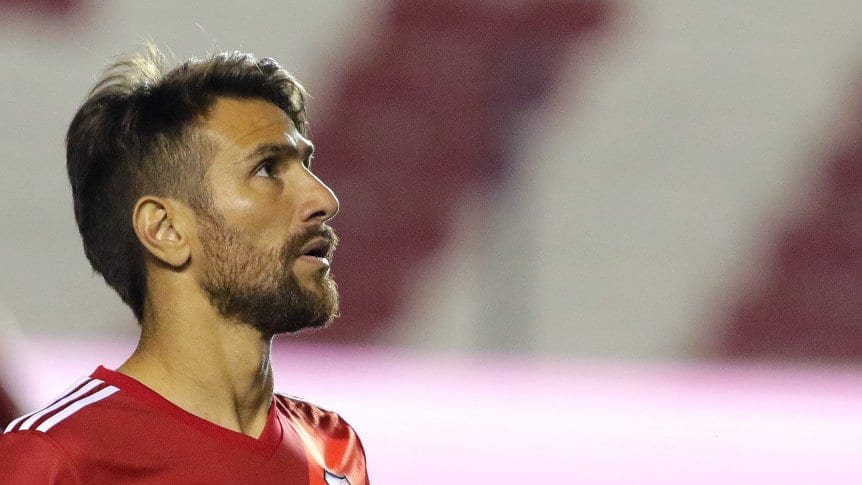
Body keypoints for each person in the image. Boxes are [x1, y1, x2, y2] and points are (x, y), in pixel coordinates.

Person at [0, 45, 369, 484]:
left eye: (305, 164)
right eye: (267, 168)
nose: (324, 199)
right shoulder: (54, 460)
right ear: (165, 229)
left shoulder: (332, 447)